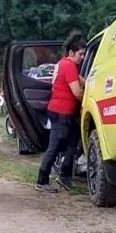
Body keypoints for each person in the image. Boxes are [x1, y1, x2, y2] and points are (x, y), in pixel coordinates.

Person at [36, 31, 86, 192]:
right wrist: (90, 99)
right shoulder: (69, 65)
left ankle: (65, 176)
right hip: (61, 112)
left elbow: (80, 80)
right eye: (81, 54)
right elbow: (77, 92)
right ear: (71, 53)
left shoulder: (63, 63)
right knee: (55, 146)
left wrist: (91, 82)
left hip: (59, 111)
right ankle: (42, 180)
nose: (83, 58)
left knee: (72, 142)